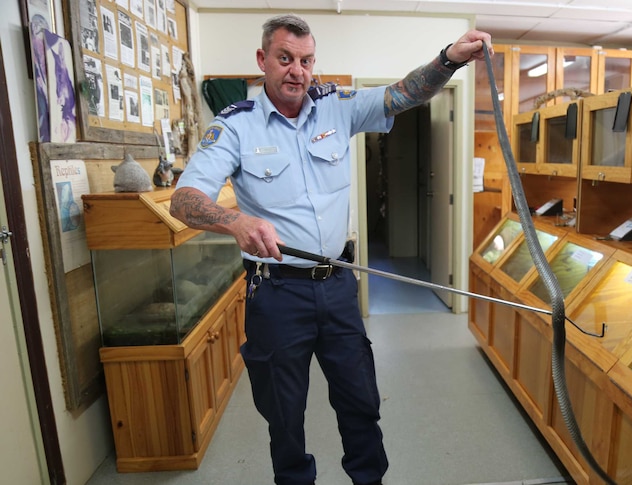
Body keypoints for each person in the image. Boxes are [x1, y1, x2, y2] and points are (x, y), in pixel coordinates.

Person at [169, 13, 492, 485]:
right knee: (284, 415)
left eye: (305, 60)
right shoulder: (235, 126)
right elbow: (184, 198)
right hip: (276, 292)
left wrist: (448, 60)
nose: (297, 70)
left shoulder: (337, 106)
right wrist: (234, 220)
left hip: (338, 285)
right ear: (263, 61)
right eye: (284, 58)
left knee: (360, 401)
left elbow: (403, 93)